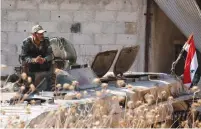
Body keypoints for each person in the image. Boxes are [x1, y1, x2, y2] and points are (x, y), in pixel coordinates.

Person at [20, 25, 54, 91]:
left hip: (43, 64)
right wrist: (34, 60)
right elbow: (24, 56)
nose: (42, 35)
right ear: (34, 34)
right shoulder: (27, 42)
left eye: (42, 33)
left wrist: (44, 59)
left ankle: (50, 86)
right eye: (40, 34)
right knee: (24, 64)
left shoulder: (46, 41)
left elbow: (51, 55)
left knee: (53, 62)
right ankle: (27, 86)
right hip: (31, 65)